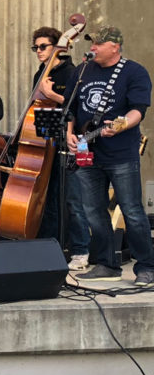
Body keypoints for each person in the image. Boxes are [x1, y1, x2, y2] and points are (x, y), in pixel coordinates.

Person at [66, 26, 154, 286]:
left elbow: (138, 110)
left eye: (98, 44)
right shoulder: (82, 71)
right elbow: (69, 108)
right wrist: (69, 134)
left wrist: (121, 125)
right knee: (93, 211)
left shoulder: (134, 72)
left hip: (121, 154)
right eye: (92, 43)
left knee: (131, 210)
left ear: (115, 47)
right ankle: (106, 264)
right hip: (86, 152)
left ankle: (147, 267)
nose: (92, 47)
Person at [29, 26, 90, 269]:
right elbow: (37, 108)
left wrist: (51, 94)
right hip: (49, 140)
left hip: (73, 141)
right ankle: (50, 249)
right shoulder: (40, 73)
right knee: (49, 198)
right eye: (35, 47)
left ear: (57, 47)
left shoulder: (71, 72)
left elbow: (78, 106)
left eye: (43, 46)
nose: (38, 51)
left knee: (74, 199)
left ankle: (81, 251)